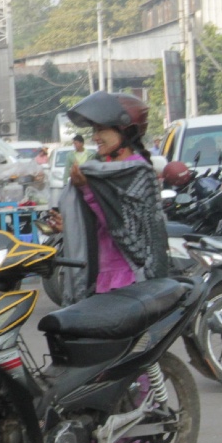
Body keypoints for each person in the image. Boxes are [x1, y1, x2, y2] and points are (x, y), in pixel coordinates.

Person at [52, 92, 169, 302]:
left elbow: (123, 226)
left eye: (101, 129)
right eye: (94, 130)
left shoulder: (138, 173)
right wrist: (70, 224)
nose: (95, 137)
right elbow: (99, 224)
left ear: (124, 129)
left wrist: (88, 190)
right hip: (102, 275)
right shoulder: (101, 172)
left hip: (130, 279)